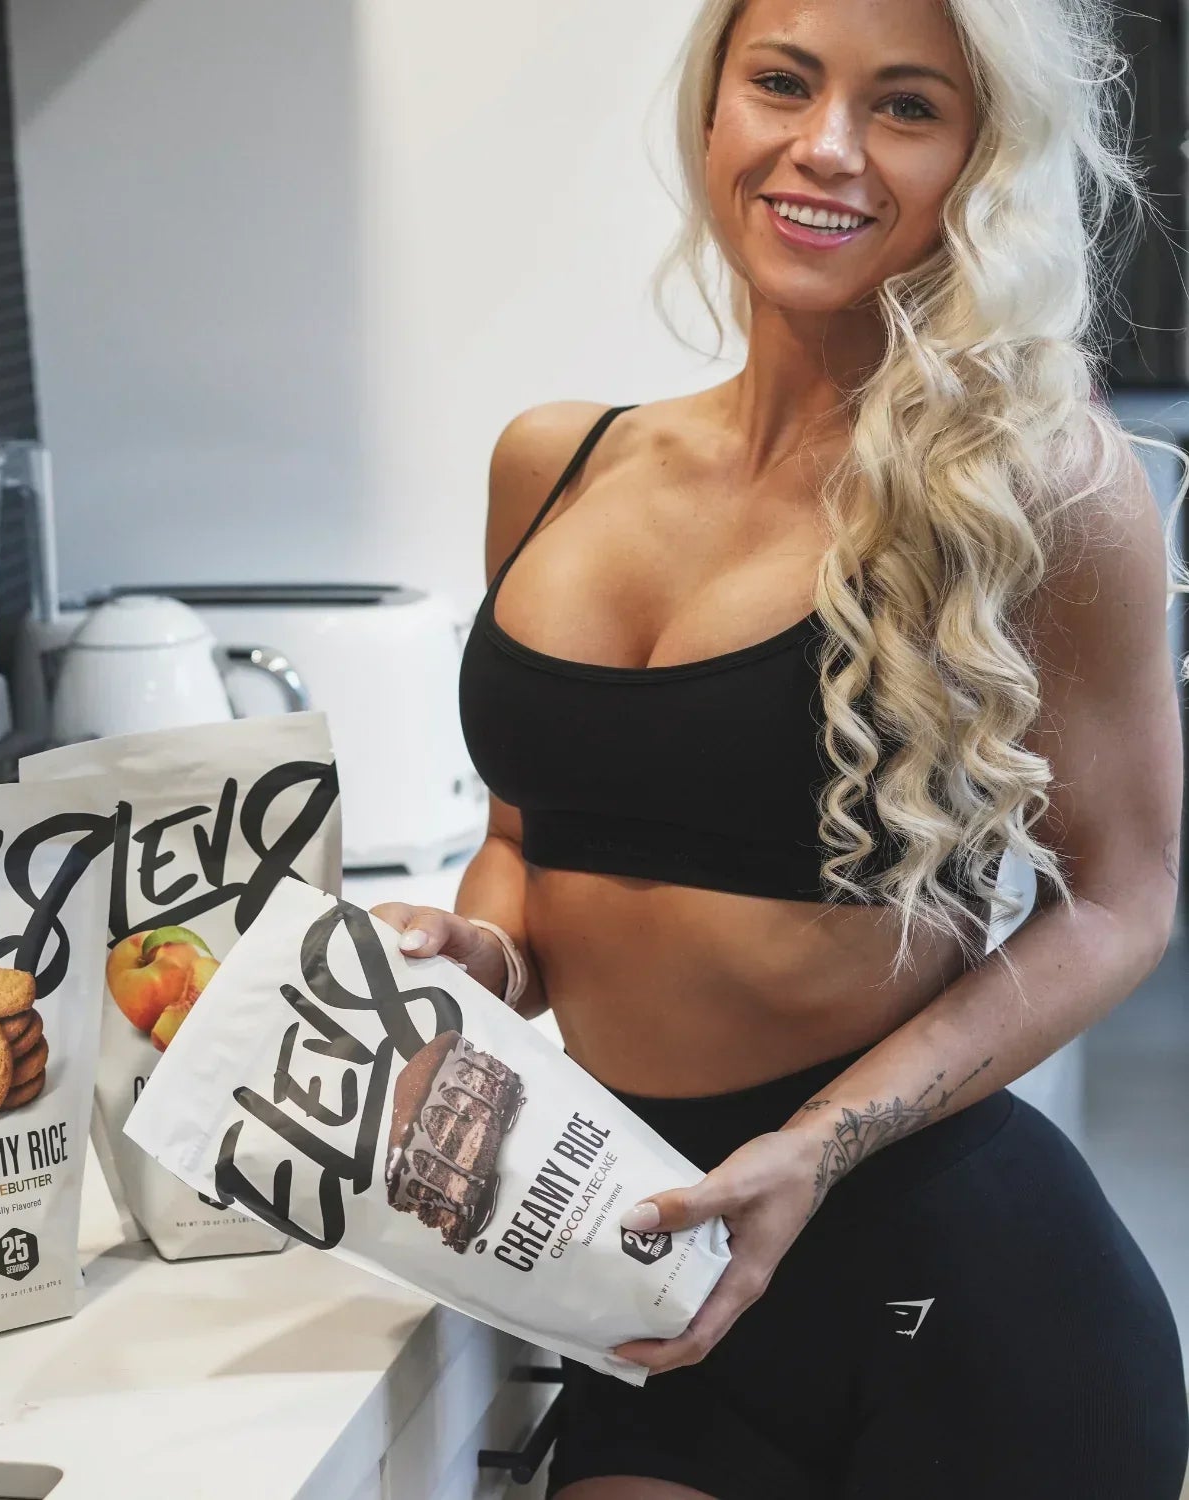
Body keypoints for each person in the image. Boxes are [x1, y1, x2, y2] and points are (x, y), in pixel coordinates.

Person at [369, 0, 1189, 1494]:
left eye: (905, 106)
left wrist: (818, 1142)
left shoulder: (1039, 489)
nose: (827, 147)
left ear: (980, 158)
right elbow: (524, 838)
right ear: (713, 112)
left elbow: (1124, 897)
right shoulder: (556, 463)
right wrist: (487, 961)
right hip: (649, 1269)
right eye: (783, 83)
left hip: (959, 1299)